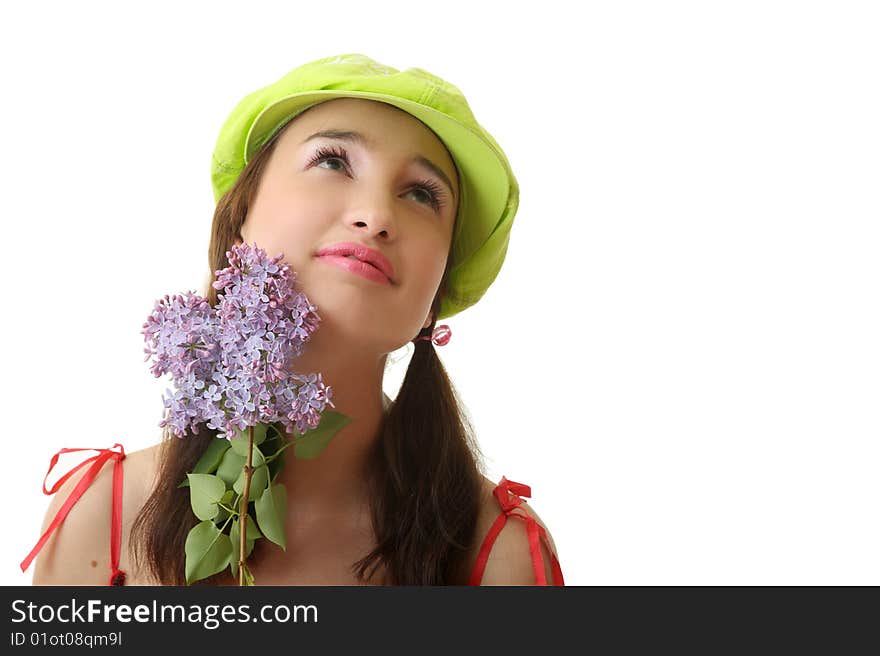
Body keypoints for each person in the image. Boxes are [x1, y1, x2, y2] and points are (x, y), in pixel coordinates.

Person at [22, 53, 564, 586]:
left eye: (422, 195)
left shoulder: (497, 558)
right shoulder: (101, 522)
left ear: (436, 298)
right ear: (239, 219)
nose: (375, 217)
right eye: (333, 161)